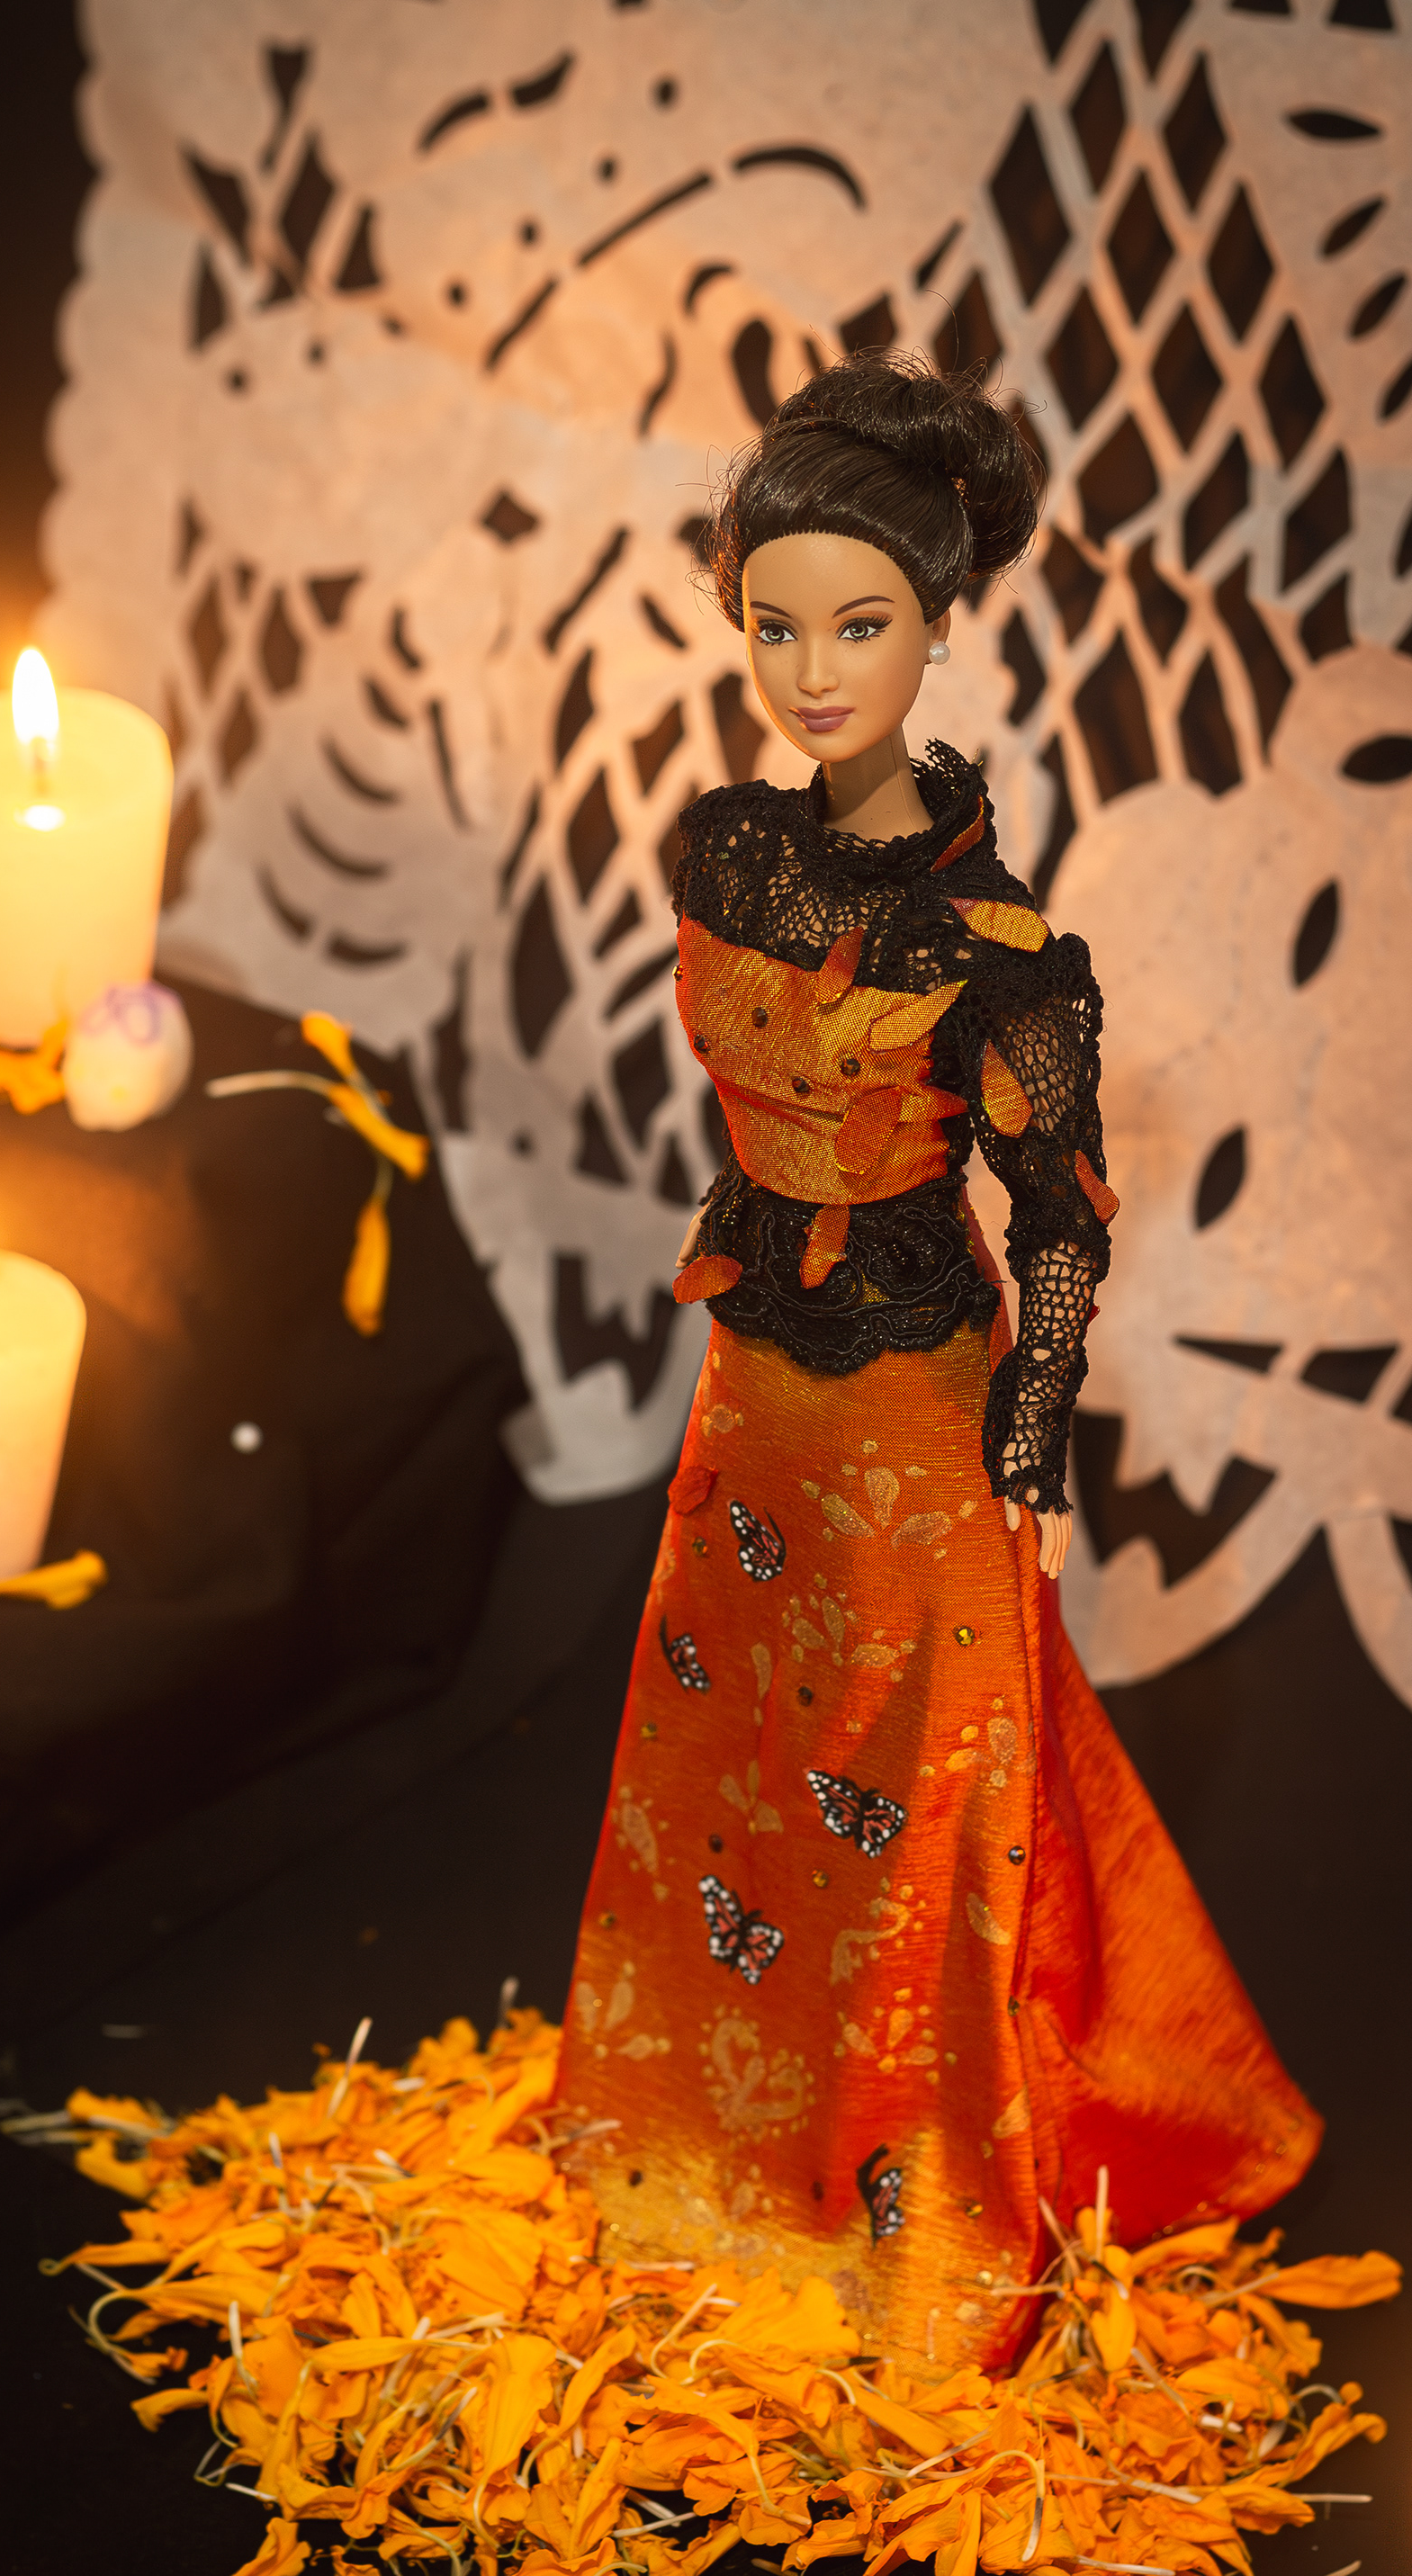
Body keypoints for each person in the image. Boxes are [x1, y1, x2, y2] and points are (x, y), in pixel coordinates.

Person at [553, 355, 1318, 2371]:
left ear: (942, 624)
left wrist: (1034, 1423)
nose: (814, 675)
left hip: (914, 1406)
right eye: (774, 627)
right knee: (732, 1770)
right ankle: (714, 2128)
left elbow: (1062, 1213)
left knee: (923, 1802)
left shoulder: (998, 948)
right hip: (756, 1389)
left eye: (861, 627)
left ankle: (913, 2183)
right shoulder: (729, 851)